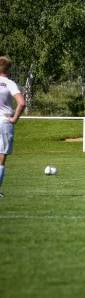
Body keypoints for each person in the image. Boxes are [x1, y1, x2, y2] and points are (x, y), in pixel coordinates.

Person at [0, 56, 25, 198]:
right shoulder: (9, 83)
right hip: (3, 122)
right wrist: (14, 118)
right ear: (9, 69)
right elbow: (21, 103)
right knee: (1, 159)